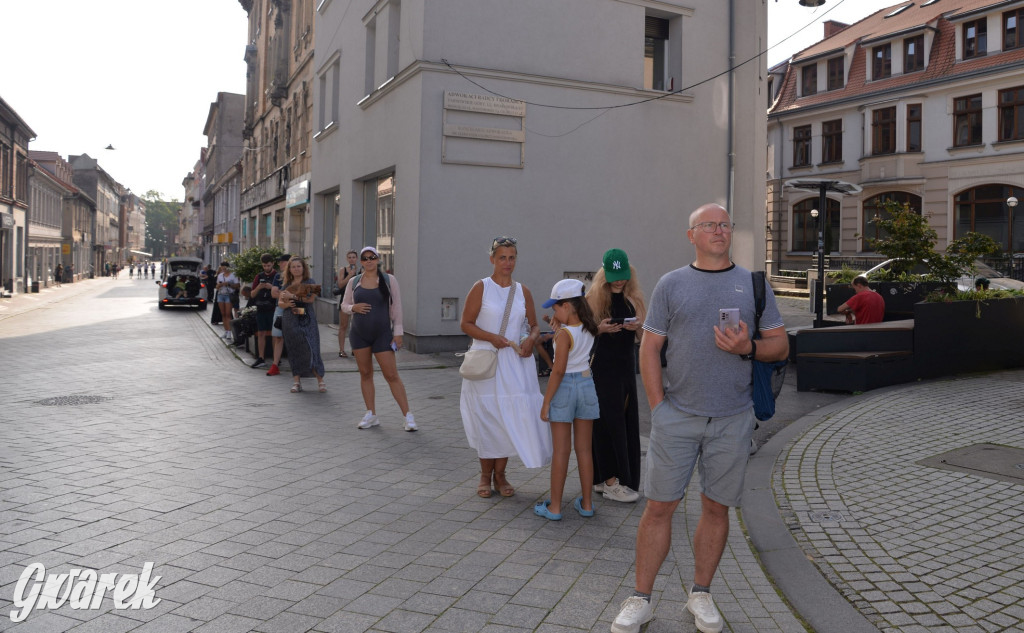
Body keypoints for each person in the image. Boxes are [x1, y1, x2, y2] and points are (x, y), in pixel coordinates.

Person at [611, 204, 788, 633]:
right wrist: (658, 407)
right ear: (691, 234)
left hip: (733, 418)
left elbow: (780, 347)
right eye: (708, 225)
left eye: (724, 224)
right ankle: (641, 598)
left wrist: (747, 349)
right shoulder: (671, 284)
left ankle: (701, 593)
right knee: (658, 508)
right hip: (677, 415)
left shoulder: (753, 284)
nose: (718, 230)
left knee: (716, 507)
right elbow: (649, 348)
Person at [459, 236, 551, 498]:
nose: (507, 263)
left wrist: (531, 340)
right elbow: (466, 323)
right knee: (487, 417)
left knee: (508, 417)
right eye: (502, 257)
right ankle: (485, 476)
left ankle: (501, 475)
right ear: (492, 259)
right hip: (486, 361)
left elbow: (533, 325)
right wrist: (492, 338)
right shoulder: (481, 287)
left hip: (515, 362)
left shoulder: (523, 291)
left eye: (512, 257)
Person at [535, 279, 600, 520]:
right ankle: (587, 504)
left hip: (565, 388)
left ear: (569, 306)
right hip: (586, 384)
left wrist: (546, 401)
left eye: (556, 307)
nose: (554, 311)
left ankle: (554, 508)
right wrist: (557, 328)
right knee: (584, 450)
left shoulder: (563, 334)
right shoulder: (588, 327)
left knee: (561, 451)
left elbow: (558, 370)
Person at [587, 248, 646, 504]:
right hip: (602, 369)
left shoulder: (634, 299)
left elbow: (645, 340)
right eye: (614, 276)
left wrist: (638, 327)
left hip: (625, 369)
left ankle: (607, 479)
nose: (619, 281)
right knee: (604, 423)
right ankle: (610, 481)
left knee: (624, 422)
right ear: (605, 274)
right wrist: (598, 329)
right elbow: (580, 337)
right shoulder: (594, 298)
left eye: (622, 275)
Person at [340, 246, 417, 431]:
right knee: (365, 374)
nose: (368, 261)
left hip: (382, 334)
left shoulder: (389, 280)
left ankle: (408, 416)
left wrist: (398, 333)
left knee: (391, 375)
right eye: (365, 258)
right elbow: (344, 304)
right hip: (359, 335)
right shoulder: (354, 281)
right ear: (361, 261)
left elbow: (397, 307)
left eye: (372, 257)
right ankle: (371, 414)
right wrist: (353, 308)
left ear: (378, 259)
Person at [279, 256, 326, 393]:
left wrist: (292, 296)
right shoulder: (286, 284)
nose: (296, 269)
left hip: (307, 318)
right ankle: (296, 381)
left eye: (298, 266)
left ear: (303, 268)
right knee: (294, 349)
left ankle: (320, 380)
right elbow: (280, 303)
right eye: (293, 267)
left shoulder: (311, 282)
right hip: (290, 318)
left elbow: (310, 300)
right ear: (289, 269)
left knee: (312, 347)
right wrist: (287, 303)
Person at [250, 254, 282, 369]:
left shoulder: (278, 276)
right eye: (264, 266)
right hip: (261, 308)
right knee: (261, 333)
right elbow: (252, 294)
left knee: (275, 334)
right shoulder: (259, 276)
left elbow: (281, 293)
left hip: (273, 309)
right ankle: (261, 358)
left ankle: (275, 359)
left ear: (273, 263)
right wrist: (259, 287)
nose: (266, 268)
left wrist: (271, 287)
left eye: (268, 265)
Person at [265, 254, 291, 376]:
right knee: (278, 336)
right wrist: (288, 294)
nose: (279, 265)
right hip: (280, 308)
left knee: (294, 337)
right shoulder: (278, 276)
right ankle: (275, 365)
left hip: (294, 309)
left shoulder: (298, 276)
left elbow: (306, 295)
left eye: (282, 262)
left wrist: (282, 293)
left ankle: (297, 363)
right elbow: (273, 294)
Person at [336, 250, 359, 358]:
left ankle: (355, 349)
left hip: (357, 301)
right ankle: (341, 350)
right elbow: (340, 285)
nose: (351, 259)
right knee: (343, 325)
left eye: (353, 257)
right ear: (347, 259)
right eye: (349, 257)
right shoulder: (343, 270)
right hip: (345, 300)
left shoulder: (361, 270)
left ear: (357, 258)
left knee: (356, 326)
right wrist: (349, 275)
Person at [215, 261, 240, 341]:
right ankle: (226, 331)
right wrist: (219, 285)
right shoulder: (220, 275)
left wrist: (228, 284)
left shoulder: (233, 275)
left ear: (228, 267)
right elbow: (217, 286)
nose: (224, 269)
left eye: (225, 267)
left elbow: (237, 285)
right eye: (222, 268)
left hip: (229, 295)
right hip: (220, 294)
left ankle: (229, 332)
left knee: (228, 313)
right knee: (223, 314)